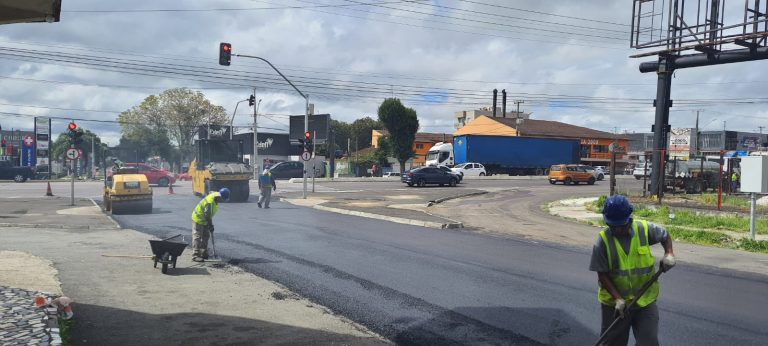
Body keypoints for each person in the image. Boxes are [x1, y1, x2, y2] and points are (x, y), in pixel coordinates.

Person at [589, 195, 676, 346]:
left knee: (648, 342)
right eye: (613, 226)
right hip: (615, 305)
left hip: (644, 301)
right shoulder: (602, 241)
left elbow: (665, 235)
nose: (617, 230)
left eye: (620, 226)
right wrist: (618, 299)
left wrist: (669, 253)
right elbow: (602, 274)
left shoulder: (643, 229)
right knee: (614, 343)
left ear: (629, 219)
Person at [190, 188, 230, 262]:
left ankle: (203, 253)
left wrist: (209, 225)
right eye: (222, 199)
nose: (222, 201)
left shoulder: (215, 195)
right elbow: (207, 216)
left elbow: (210, 191)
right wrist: (211, 225)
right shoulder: (210, 202)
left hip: (204, 220)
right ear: (220, 196)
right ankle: (195, 255)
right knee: (197, 236)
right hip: (198, 218)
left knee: (206, 236)